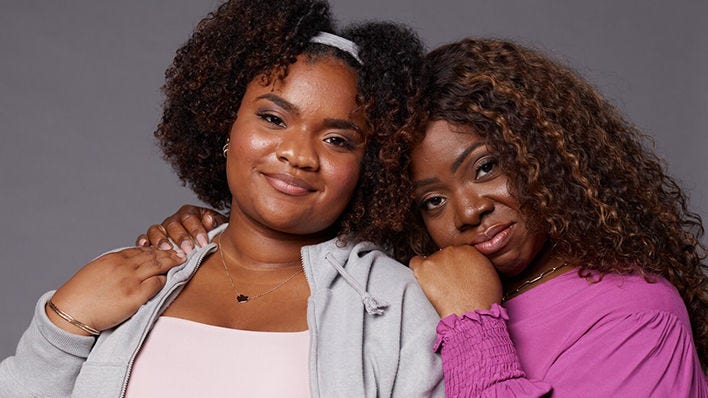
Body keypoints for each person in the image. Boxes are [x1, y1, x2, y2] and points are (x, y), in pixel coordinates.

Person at [152, 38, 707, 396]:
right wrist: (218, 233)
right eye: (431, 201)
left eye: (487, 167)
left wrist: (474, 323)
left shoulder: (636, 316)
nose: (469, 211)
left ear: (550, 155)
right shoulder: (418, 289)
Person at [0, 1, 445, 397]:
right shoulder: (131, 276)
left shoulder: (393, 304)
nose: (298, 154)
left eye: (337, 140)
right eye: (273, 118)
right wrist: (59, 329)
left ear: (370, 166)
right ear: (224, 125)